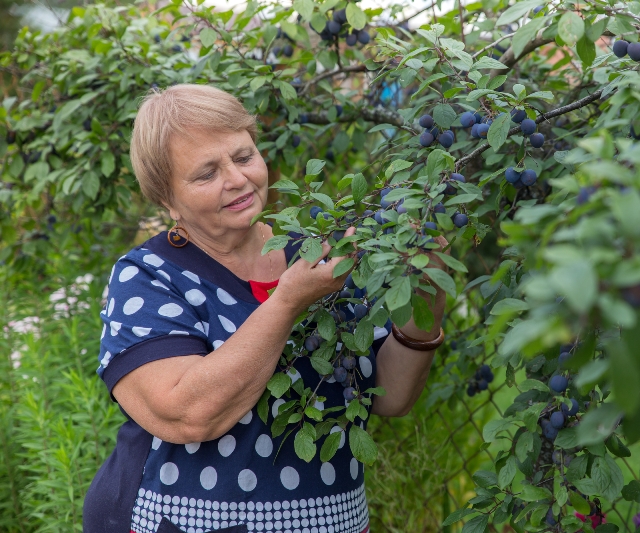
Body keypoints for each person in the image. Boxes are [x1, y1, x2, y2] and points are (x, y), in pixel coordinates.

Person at [83, 84, 447, 533]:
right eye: (206, 174)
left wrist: (426, 284)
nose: (236, 179)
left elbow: (390, 394)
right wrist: (288, 301)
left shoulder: (314, 254)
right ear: (167, 200)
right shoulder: (149, 276)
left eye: (243, 156)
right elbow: (187, 413)